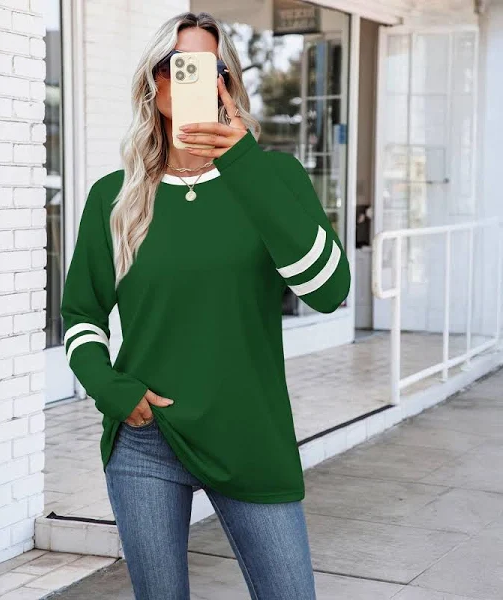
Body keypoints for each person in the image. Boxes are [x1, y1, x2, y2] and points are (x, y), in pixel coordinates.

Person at [60, 11, 350, 600]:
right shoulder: (114, 197)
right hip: (147, 438)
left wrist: (242, 163)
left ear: (227, 83)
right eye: (176, 65)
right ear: (153, 79)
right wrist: (110, 388)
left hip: (250, 435)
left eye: (207, 67)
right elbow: (81, 315)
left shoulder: (273, 176)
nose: (188, 78)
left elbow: (328, 290)